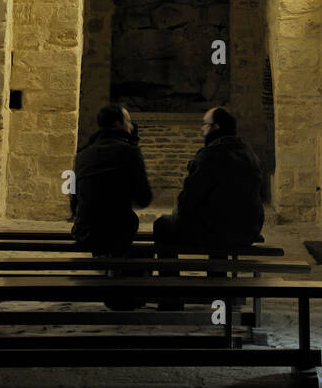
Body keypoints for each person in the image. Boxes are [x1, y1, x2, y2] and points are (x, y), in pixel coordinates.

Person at [153, 107, 264, 264]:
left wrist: (177, 215)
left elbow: (188, 202)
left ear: (216, 127)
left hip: (217, 233)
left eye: (205, 124)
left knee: (162, 224)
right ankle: (218, 275)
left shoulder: (210, 155)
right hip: (248, 231)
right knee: (219, 217)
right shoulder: (250, 155)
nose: (202, 128)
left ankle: (170, 278)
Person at [70, 104, 152, 307]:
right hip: (117, 231)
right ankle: (123, 295)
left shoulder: (81, 155)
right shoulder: (129, 152)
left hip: (85, 231)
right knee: (137, 243)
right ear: (118, 124)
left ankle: (113, 282)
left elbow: (73, 201)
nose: (131, 126)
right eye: (128, 121)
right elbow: (144, 198)